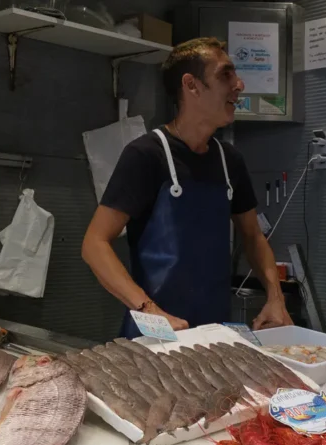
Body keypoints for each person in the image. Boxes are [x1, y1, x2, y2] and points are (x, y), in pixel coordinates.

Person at [82, 37, 293, 338]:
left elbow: (252, 235)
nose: (239, 85)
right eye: (226, 75)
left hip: (215, 334)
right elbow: (94, 244)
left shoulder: (229, 160)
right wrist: (149, 311)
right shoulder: (146, 154)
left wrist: (275, 298)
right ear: (191, 85)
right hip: (155, 336)